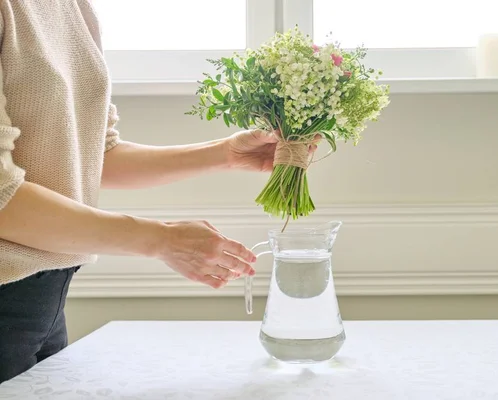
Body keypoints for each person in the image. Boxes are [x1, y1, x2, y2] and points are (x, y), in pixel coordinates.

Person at [0, 1, 317, 383]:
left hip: (47, 296)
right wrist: (161, 240)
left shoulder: (72, 7)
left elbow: (95, 151)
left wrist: (225, 155)